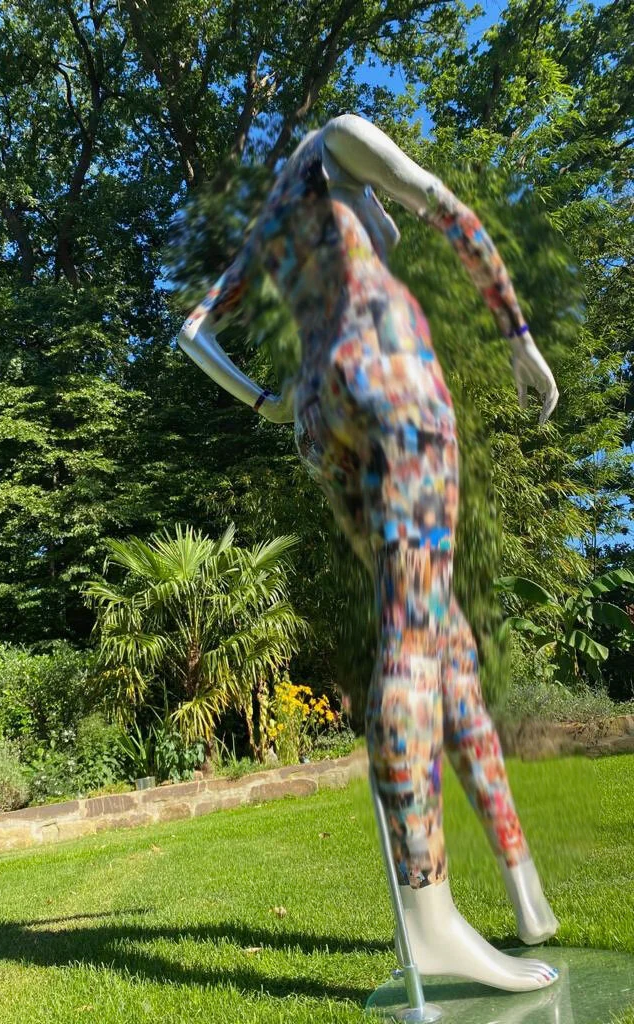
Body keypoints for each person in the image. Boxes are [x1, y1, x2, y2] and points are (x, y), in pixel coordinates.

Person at [177, 113, 560, 991]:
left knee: (441, 631)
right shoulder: (335, 139)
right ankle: (429, 918)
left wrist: (268, 402)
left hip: (320, 414)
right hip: (391, 377)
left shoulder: (272, 222)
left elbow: (194, 331)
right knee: (415, 636)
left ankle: (525, 889)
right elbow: (441, 205)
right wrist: (519, 339)